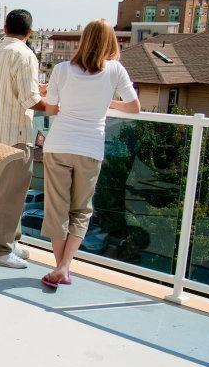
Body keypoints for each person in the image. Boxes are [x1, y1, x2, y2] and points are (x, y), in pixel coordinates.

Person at [40, 19, 139, 288]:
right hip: (89, 148)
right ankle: (64, 268)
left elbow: (50, 110)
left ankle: (60, 268)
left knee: (57, 209)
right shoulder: (116, 70)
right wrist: (106, 102)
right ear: (111, 42)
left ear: (83, 40)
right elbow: (134, 107)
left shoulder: (61, 70)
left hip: (58, 145)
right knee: (81, 211)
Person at [0, 9, 48, 268]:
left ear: (5, 27)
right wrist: (55, 106)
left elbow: (9, 91)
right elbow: (29, 100)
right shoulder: (25, 55)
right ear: (29, 32)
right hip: (16, 133)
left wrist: (35, 91)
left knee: (2, 192)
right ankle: (0, 249)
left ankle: (8, 241)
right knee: (13, 193)